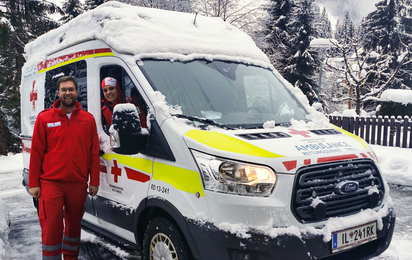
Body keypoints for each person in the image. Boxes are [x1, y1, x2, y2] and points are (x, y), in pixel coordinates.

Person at [29, 76, 100, 260]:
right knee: (52, 227)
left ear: (77, 92)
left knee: (74, 227)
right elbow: (36, 153)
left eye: (71, 89)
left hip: (77, 183)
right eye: (64, 89)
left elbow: (93, 153)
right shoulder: (45, 118)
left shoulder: (88, 120)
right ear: (58, 93)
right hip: (51, 183)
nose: (67, 92)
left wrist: (95, 181)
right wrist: (33, 183)